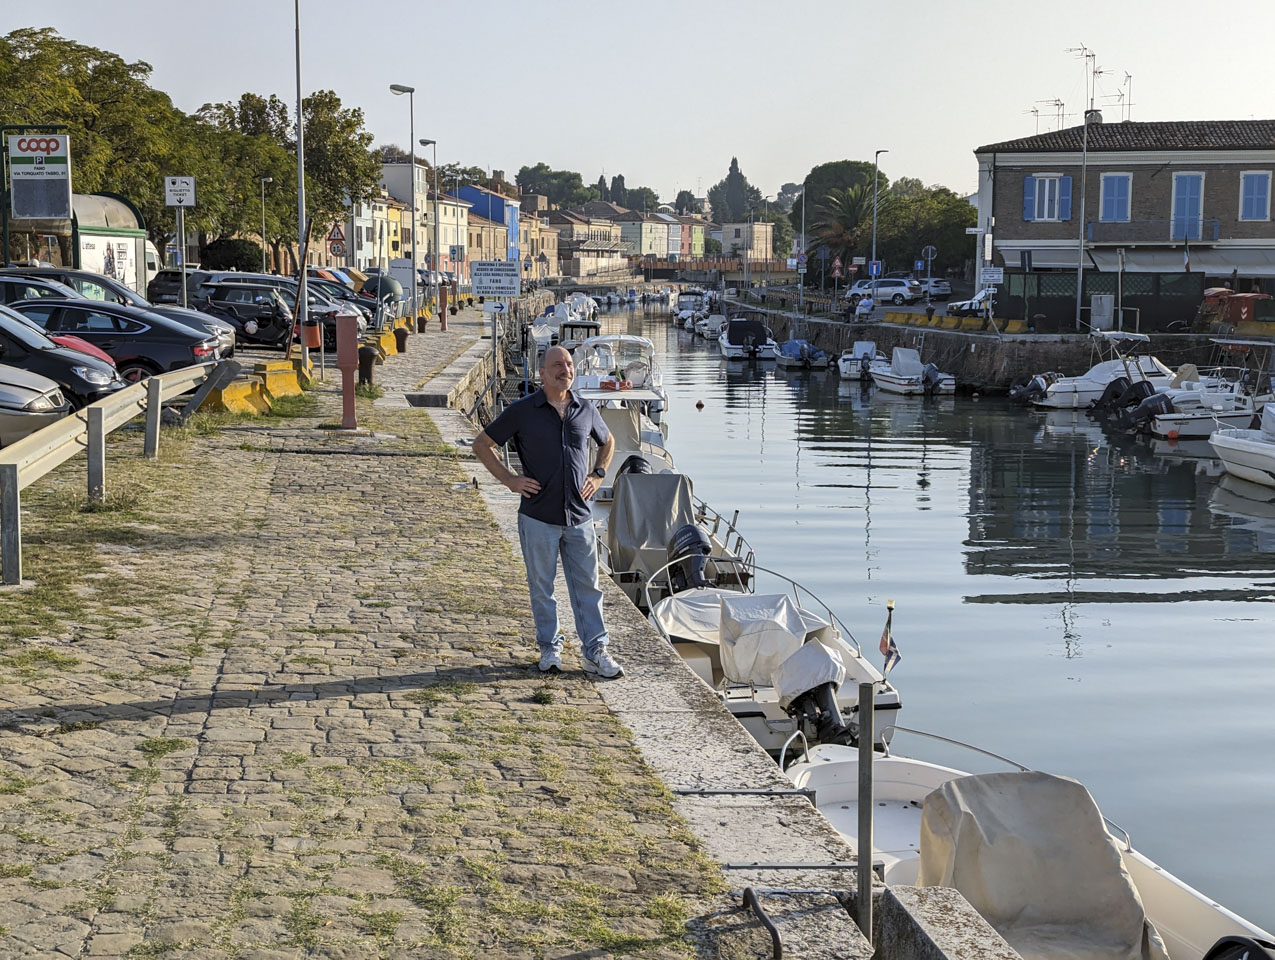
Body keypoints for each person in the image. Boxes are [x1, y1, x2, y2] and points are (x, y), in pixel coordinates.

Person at [472, 345, 621, 678]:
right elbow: (482, 444)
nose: (565, 369)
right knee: (542, 587)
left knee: (588, 588)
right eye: (557, 365)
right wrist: (510, 480)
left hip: (580, 516)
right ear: (542, 373)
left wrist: (598, 475)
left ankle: (595, 652)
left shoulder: (585, 408)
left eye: (568, 364)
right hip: (538, 516)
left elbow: (608, 442)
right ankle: (550, 647)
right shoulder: (524, 410)